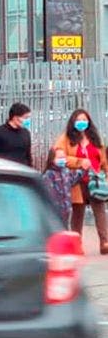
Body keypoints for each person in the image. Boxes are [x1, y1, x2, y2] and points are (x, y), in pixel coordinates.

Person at [56, 108, 108, 254]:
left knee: (100, 211)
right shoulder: (66, 138)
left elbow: (103, 159)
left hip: (95, 179)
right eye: (79, 120)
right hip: (77, 181)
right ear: (73, 121)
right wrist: (79, 162)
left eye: (85, 120)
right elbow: (59, 156)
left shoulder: (95, 138)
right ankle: (76, 244)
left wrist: (105, 174)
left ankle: (104, 242)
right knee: (78, 214)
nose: (82, 123)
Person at [42, 147, 85, 227]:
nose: (62, 160)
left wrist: (83, 170)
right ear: (52, 159)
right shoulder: (49, 175)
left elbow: (73, 178)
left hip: (66, 211)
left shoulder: (65, 171)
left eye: (63, 158)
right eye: (59, 158)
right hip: (54, 213)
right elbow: (49, 194)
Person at [0, 102, 33, 168]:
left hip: (22, 172)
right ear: (15, 117)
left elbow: (28, 155)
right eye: (25, 118)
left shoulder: (26, 133)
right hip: (5, 173)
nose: (27, 120)